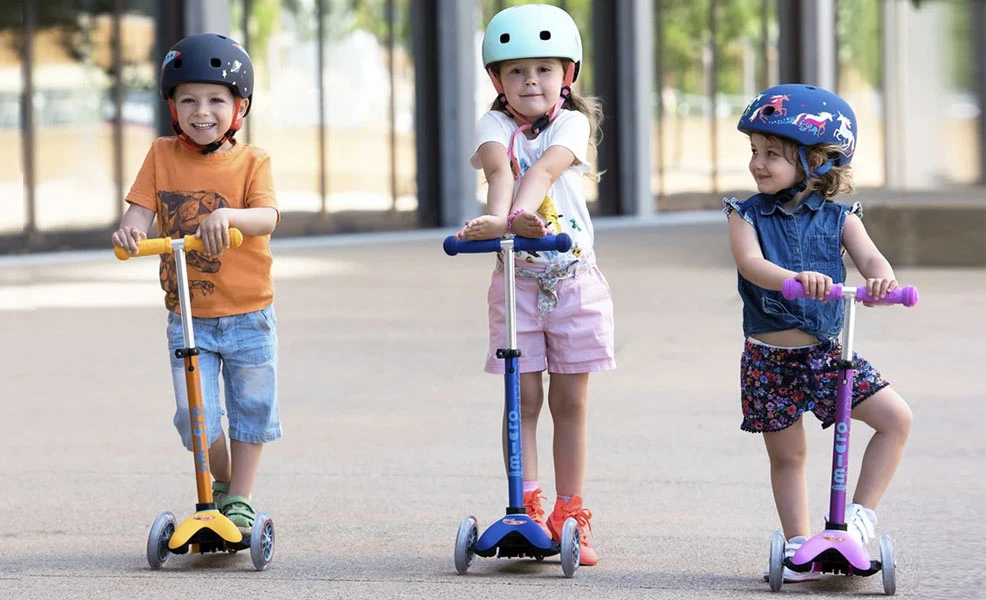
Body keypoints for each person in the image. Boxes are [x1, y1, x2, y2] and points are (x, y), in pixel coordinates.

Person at [723, 84, 913, 582]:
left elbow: (871, 258)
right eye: (754, 152)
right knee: (789, 456)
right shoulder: (745, 215)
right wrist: (793, 279)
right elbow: (750, 263)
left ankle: (858, 518)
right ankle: (798, 544)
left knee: (895, 419)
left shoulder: (842, 218)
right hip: (770, 360)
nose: (757, 164)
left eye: (771, 154)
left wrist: (882, 282)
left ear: (817, 161)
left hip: (830, 355)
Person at [457, 4, 615, 566]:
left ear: (566, 75)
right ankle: (523, 507)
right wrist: (502, 222)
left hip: (573, 282)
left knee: (570, 402)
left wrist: (513, 221)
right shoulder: (493, 126)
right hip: (517, 285)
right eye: (517, 71)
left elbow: (544, 171)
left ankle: (570, 513)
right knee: (521, 399)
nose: (531, 81)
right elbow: (500, 171)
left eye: (544, 69)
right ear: (497, 80)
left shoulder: (572, 122)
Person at [111, 33, 280, 531]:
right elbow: (139, 213)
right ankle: (222, 482)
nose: (201, 111)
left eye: (215, 100)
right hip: (188, 317)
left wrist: (229, 216)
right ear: (172, 107)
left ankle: (240, 498)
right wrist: (130, 232)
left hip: (249, 313)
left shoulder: (253, 161)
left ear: (238, 107)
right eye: (188, 100)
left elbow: (268, 216)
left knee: (252, 408)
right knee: (194, 415)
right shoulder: (161, 155)